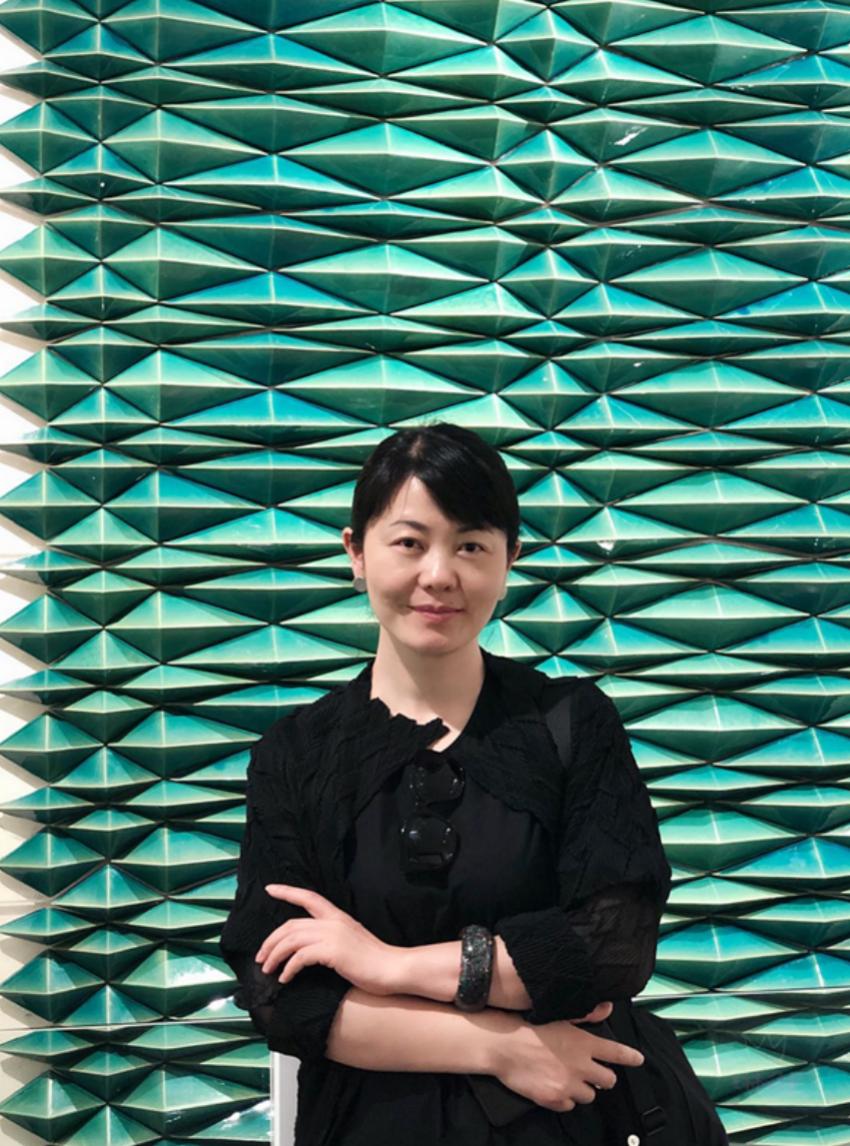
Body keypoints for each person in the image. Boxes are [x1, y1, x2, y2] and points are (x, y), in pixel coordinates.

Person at [219, 421, 729, 1145]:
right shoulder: (296, 753)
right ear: (356, 552)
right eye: (409, 542)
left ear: (510, 558)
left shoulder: (571, 722)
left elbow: (610, 948)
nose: (439, 575)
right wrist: (498, 1048)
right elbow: (280, 994)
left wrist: (385, 965)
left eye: (470, 546)